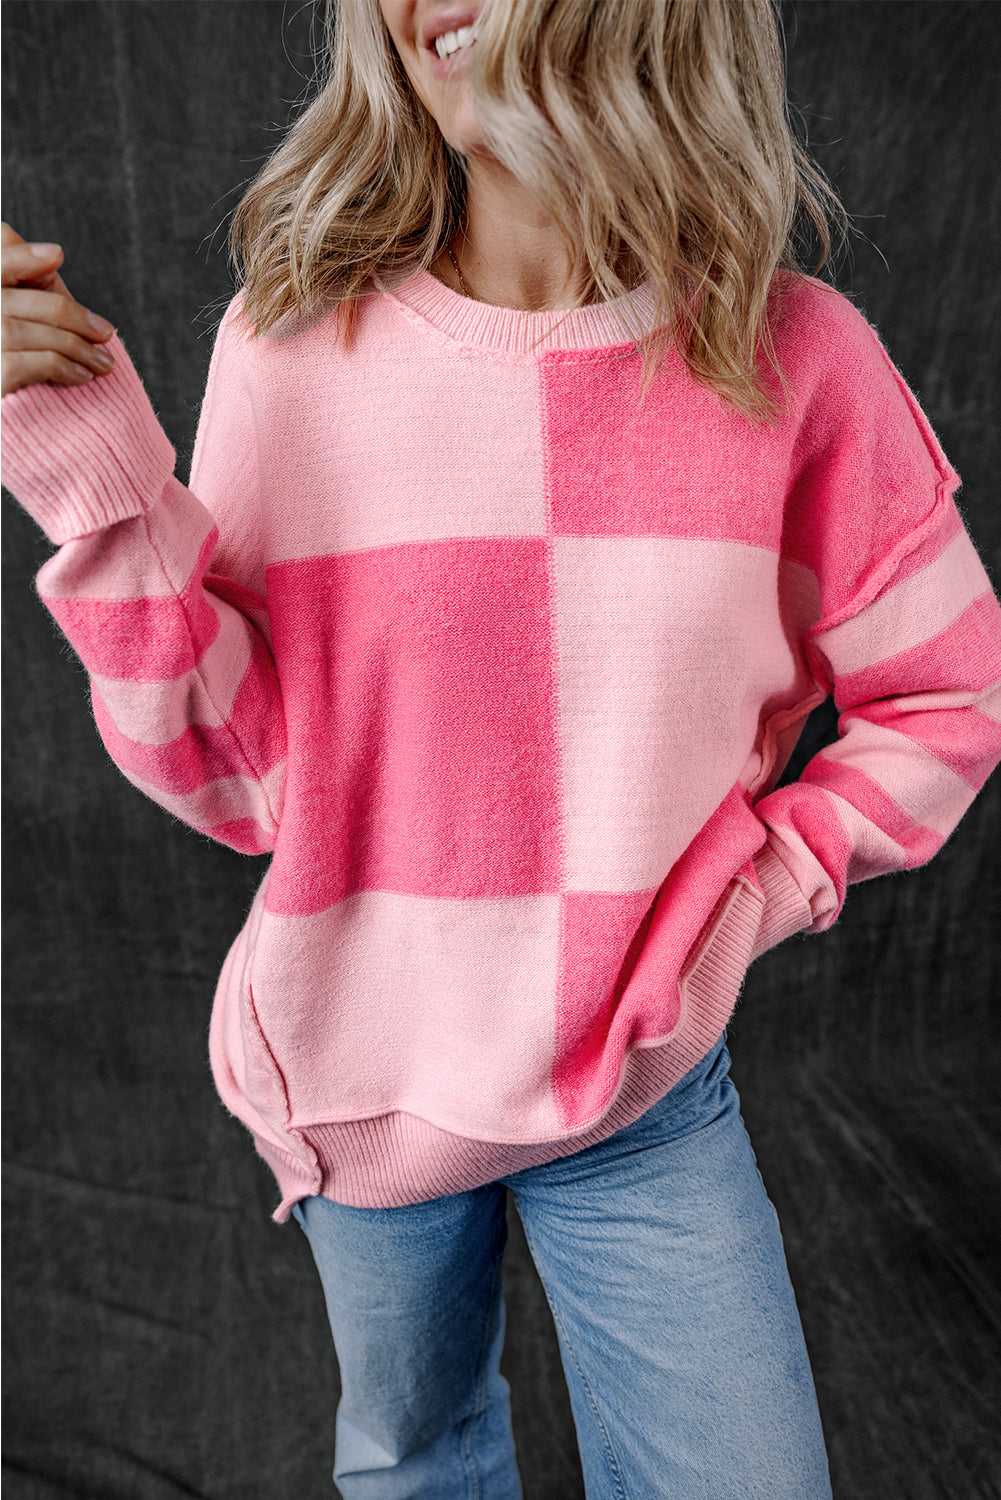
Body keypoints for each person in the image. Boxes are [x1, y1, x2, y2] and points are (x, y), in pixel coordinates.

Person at [3, 0, 1000, 1494]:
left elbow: (949, 694)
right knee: (414, 1465)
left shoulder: (796, 359)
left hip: (643, 1086)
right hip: (361, 1068)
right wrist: (96, 481)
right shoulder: (292, 347)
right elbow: (241, 778)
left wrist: (745, 897)